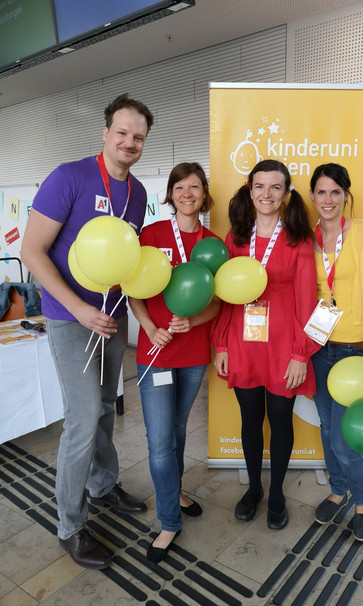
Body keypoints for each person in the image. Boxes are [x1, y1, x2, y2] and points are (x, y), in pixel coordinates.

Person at [20, 93, 154, 569]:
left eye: (138, 137)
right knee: (80, 420)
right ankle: (70, 526)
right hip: (70, 318)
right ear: (105, 132)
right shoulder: (69, 177)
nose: (129, 142)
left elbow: (126, 260)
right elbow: (32, 252)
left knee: (103, 409)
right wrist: (78, 308)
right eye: (121, 132)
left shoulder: (137, 194)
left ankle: (102, 485)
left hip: (112, 317)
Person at [213, 159, 319, 530]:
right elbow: (226, 297)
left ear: (287, 193)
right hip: (244, 344)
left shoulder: (299, 240)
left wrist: (300, 354)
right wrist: (222, 345)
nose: (267, 194)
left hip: (282, 347)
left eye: (276, 187)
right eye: (260, 186)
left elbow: (307, 301)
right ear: (249, 188)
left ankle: (276, 494)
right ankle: (254, 489)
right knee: (250, 420)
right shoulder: (235, 238)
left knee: (280, 421)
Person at [128, 162, 221, 563]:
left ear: (204, 194)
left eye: (195, 187)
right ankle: (168, 521)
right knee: (160, 442)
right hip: (156, 355)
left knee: (179, 431)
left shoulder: (213, 242)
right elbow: (134, 289)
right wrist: (149, 327)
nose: (187, 193)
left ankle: (175, 490)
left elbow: (218, 301)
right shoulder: (151, 235)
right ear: (170, 193)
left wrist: (192, 321)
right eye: (180, 187)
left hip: (193, 355)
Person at [308, 163, 363, 542]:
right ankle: (337, 490)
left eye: (335, 192)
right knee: (326, 429)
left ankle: (362, 502)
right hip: (318, 347)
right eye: (321, 192)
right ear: (312, 196)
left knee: (345, 438)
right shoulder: (305, 239)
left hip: (356, 351)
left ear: (346, 195)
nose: (328, 200)